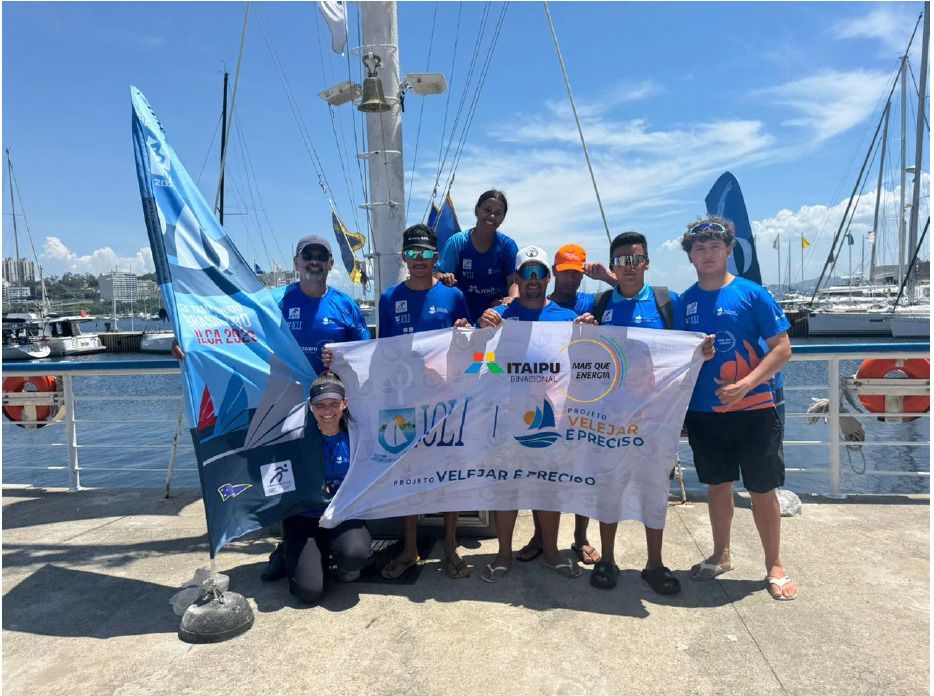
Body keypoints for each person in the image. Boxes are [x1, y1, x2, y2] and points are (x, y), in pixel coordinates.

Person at [676, 216, 796, 601]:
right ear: (690, 257)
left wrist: (747, 384)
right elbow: (680, 354)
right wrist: (699, 353)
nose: (707, 254)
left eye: (715, 247)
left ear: (728, 251)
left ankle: (774, 564)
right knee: (717, 485)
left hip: (755, 409)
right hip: (706, 413)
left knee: (762, 489)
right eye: (699, 249)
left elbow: (782, 349)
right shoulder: (685, 302)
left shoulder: (752, 293)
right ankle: (720, 554)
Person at [475, 245, 594, 583]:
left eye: (538, 272)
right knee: (506, 489)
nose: (532, 279)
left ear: (547, 277)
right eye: (525, 272)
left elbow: (588, 364)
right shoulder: (499, 317)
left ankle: (552, 553)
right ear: (516, 278)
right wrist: (475, 329)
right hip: (506, 419)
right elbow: (473, 362)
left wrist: (593, 331)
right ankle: (503, 554)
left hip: (551, 420)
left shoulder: (567, 319)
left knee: (549, 487)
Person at [577, 231, 684, 592]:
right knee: (609, 488)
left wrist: (705, 352)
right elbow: (563, 331)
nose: (629, 266)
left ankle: (655, 564)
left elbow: (691, 346)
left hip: (656, 418)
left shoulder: (667, 301)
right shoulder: (600, 303)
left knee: (654, 491)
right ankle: (607, 559)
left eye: (635, 259)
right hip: (610, 418)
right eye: (621, 261)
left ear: (646, 262)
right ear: (613, 266)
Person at [262, 234, 371, 582]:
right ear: (296, 263)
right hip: (288, 407)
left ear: (330, 264)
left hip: (330, 409)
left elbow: (366, 355)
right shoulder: (275, 301)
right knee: (289, 479)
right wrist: (190, 345)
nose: (314, 261)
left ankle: (334, 541)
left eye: (320, 256)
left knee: (331, 473)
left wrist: (341, 358)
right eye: (307, 255)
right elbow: (236, 334)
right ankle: (286, 547)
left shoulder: (344, 304)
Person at [375, 224, 472, 581]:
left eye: (426, 253)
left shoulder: (453, 296)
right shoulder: (388, 298)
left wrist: (466, 332)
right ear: (404, 257)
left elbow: (472, 351)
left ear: (436, 257)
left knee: (447, 474)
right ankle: (410, 547)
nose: (419, 260)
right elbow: (381, 353)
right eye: (412, 253)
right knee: (408, 475)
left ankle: (449, 546)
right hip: (402, 402)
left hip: (445, 401)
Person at [512, 243, 616, 569]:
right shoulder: (534, 304)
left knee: (580, 473)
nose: (570, 278)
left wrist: (609, 278)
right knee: (543, 477)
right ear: (553, 272)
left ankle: (581, 538)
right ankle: (540, 538)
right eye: (564, 271)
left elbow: (629, 297)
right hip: (543, 408)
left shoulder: (592, 301)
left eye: (576, 272)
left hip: (580, 400)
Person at [283, 372, 371, 604]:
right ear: (310, 407)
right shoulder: (296, 437)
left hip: (342, 513)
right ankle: (298, 555)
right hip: (305, 516)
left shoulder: (358, 436)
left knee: (354, 555)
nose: (327, 411)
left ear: (345, 404)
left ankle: (339, 560)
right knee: (308, 593)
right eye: (320, 405)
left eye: (334, 404)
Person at [434, 190, 519, 323]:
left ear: (503, 218)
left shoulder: (507, 245)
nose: (491, 216)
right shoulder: (457, 242)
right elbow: (436, 274)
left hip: (494, 317)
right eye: (487, 210)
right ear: (477, 210)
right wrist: (443, 277)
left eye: (498, 213)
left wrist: (512, 297)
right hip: (461, 317)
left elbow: (513, 281)